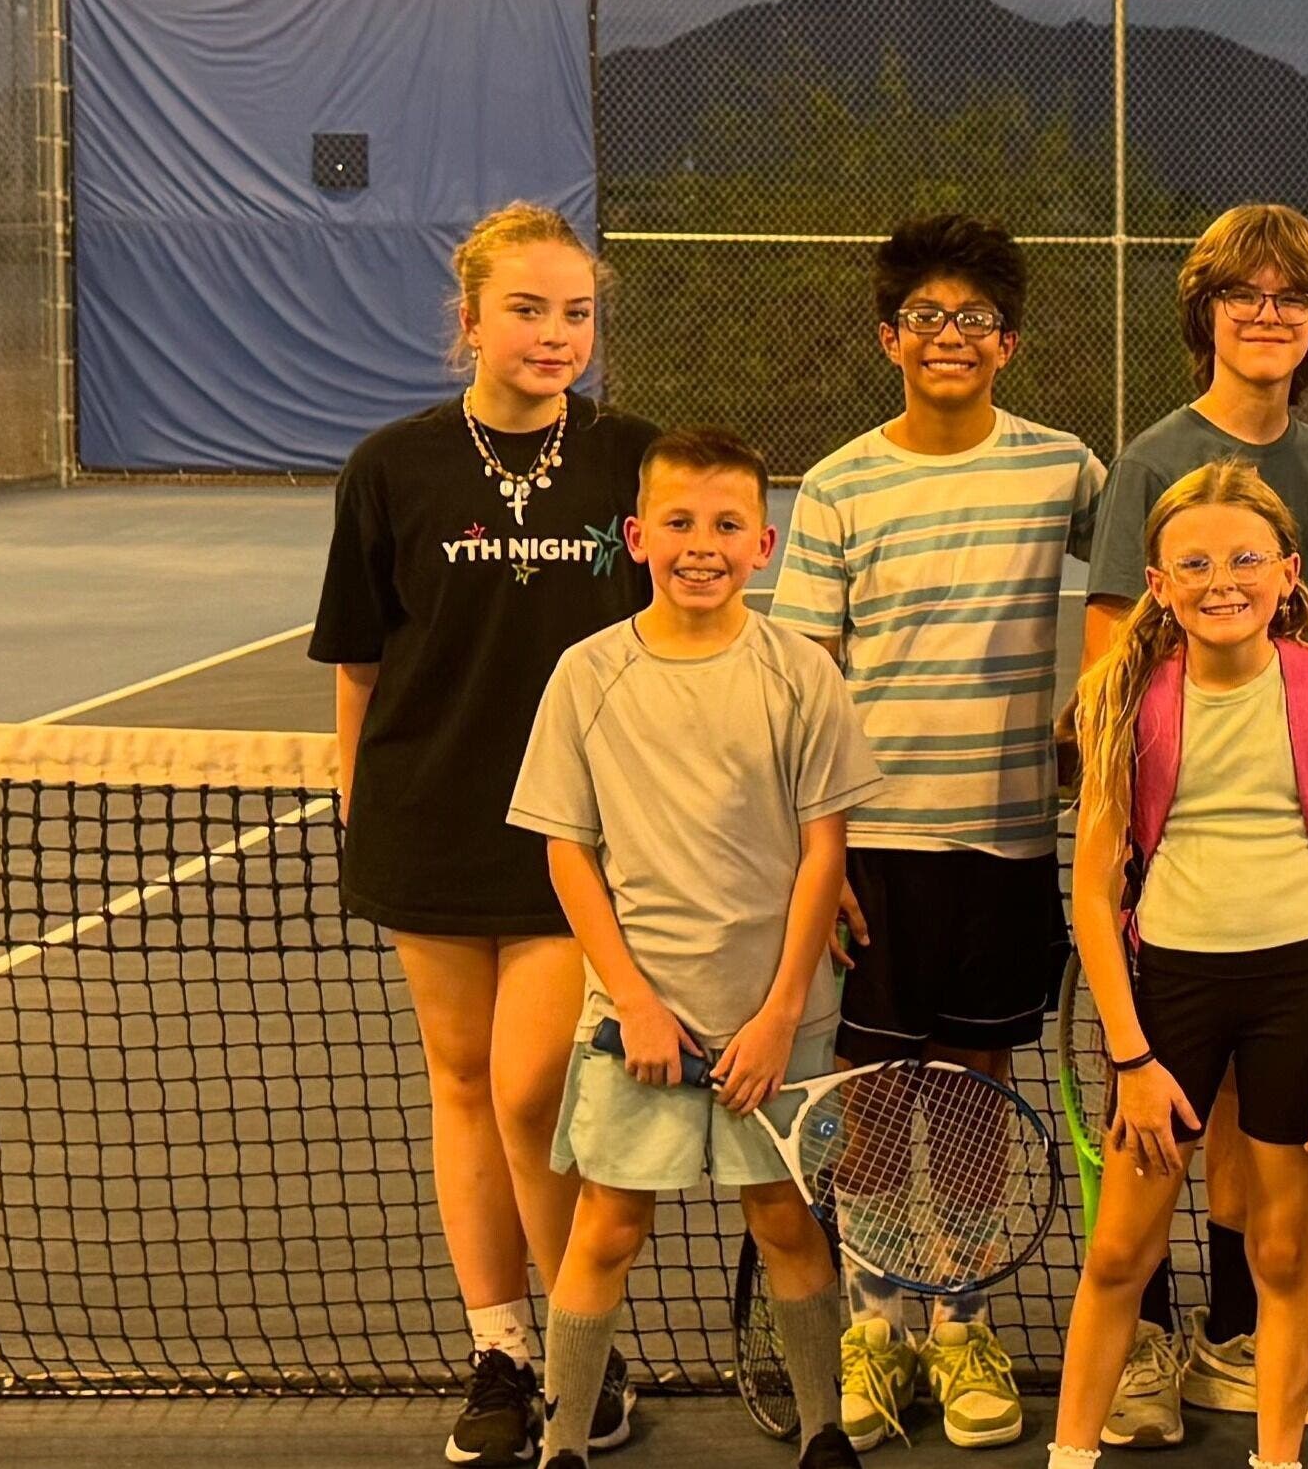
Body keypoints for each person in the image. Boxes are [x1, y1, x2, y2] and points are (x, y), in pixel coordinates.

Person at [310, 200, 657, 1464]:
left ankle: (581, 1350)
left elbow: (677, 637)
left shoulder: (635, 460)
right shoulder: (391, 467)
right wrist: (361, 808)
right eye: (528, 308)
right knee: (460, 1084)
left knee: (533, 1089)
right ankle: (503, 1350)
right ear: (469, 320)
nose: (556, 332)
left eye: (576, 312)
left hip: (581, 837)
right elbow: (358, 666)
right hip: (425, 816)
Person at [771, 214, 1106, 1453]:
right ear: (888, 336)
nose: (950, 336)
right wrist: (824, 854)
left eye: (974, 319)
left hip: (1007, 846)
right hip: (870, 855)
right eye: (927, 316)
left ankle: (958, 1324)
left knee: (973, 1096)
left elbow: (1144, 580)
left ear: (1008, 343)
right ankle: (875, 1323)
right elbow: (805, 681)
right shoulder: (842, 484)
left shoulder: (1064, 468)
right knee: (864, 1104)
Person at [507, 428, 886, 1469]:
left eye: (727, 525)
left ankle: (824, 1434)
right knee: (607, 1231)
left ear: (764, 544)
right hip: (637, 1025)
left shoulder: (801, 675)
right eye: (678, 523)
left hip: (780, 1024)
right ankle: (564, 1445)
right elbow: (569, 859)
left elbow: (822, 859)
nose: (702, 544)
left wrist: (775, 1015)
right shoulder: (588, 676)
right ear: (638, 536)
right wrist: (632, 999)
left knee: (786, 1219)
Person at [1077, 205, 1308, 1443]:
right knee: (1153, 1135)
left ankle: (1241, 1340)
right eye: (1244, 294)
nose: (1267, 314)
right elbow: (1117, 665)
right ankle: (1147, 1347)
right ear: (1205, 312)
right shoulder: (1153, 459)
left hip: (1296, 894)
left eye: (1291, 298)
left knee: (1266, 1170)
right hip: (1172, 899)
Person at [1050, 461, 1308, 1469]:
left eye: (1248, 558)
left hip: (1300, 989)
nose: (1223, 579)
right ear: (1157, 582)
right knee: (1122, 1250)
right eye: (1194, 562)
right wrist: (1131, 1056)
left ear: (1290, 574)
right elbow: (1094, 891)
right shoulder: (1121, 689)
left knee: (1284, 1251)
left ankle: (1277, 1459)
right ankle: (1069, 1457)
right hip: (1170, 995)